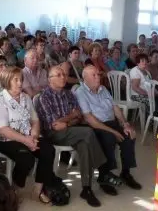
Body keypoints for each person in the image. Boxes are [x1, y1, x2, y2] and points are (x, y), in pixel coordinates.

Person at [34, 66, 106, 207]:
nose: (63, 77)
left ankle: (87, 188)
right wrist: (71, 117)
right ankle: (103, 167)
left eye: (64, 75)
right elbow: (54, 125)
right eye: (59, 75)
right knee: (88, 132)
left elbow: (78, 116)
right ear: (50, 80)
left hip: (71, 130)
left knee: (84, 144)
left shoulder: (68, 94)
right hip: (52, 135)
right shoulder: (44, 97)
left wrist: (68, 121)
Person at [0, 66, 55, 203]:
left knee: (48, 150)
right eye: (16, 80)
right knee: (26, 158)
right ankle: (14, 189)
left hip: (28, 136)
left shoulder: (25, 98)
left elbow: (35, 120)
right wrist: (26, 140)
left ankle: (38, 189)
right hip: (6, 139)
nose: (20, 83)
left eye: (21, 79)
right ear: (7, 81)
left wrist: (34, 137)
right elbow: (2, 129)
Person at [74, 65, 142, 196]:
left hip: (111, 122)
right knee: (109, 138)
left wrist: (125, 124)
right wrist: (114, 132)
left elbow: (115, 108)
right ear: (85, 79)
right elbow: (89, 119)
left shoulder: (103, 89)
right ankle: (104, 176)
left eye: (98, 74)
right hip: (95, 126)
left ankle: (126, 173)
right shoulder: (80, 92)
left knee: (129, 135)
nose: (98, 77)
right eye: (93, 75)